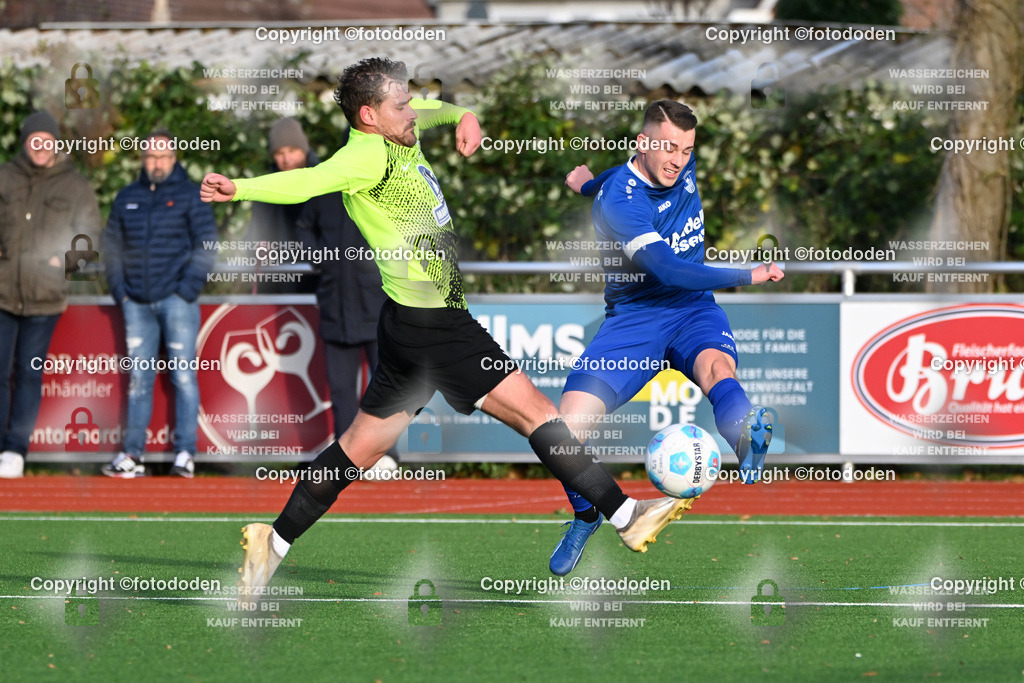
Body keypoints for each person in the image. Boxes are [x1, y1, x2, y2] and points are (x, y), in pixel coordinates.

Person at [201, 57, 691, 606]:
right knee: (537, 414)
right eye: (400, 105)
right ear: (369, 116)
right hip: (435, 325)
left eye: (409, 101)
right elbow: (309, 182)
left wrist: (463, 114)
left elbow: (432, 111)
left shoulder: (400, 127)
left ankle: (274, 541)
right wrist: (239, 188)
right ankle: (626, 516)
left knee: (357, 449)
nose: (412, 111)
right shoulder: (363, 156)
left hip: (406, 323)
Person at [546, 99, 785, 575]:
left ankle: (745, 442)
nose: (679, 160)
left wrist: (584, 183)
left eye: (687, 149)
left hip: (692, 310)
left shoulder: (667, 163)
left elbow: (620, 171)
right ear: (644, 143)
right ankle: (587, 512)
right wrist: (747, 275)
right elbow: (670, 269)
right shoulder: (621, 203)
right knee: (563, 431)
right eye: (670, 149)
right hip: (635, 320)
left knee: (718, 368)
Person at [101, 129, 218, 478]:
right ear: (142, 160)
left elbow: (206, 244)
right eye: (151, 157)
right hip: (135, 302)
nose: (157, 163)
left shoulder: (191, 195)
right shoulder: (127, 197)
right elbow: (111, 248)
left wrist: (187, 289)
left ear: (174, 158)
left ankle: (185, 453)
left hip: (177, 301)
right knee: (139, 379)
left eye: (163, 157)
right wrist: (119, 291)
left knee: (183, 377)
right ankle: (132, 455)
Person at [0, 111, 101, 478]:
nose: (40, 147)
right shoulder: (5, 177)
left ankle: (14, 450)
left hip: (45, 296)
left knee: (28, 374)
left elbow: (90, 234)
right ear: (25, 142)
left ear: (55, 143)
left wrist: (67, 259)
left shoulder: (75, 185)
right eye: (33, 140)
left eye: (46, 140)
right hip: (3, 292)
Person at [293, 129, 395, 466]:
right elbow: (304, 228)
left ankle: (385, 456)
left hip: (380, 304)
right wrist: (319, 257)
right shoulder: (325, 182)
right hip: (335, 304)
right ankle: (345, 460)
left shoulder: (387, 181)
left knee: (384, 387)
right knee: (340, 391)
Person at [244, 117, 319, 294]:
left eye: (292, 150)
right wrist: (257, 248)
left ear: (304, 149)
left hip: (319, 287)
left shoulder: (326, 182)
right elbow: (251, 238)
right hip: (276, 290)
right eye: (279, 153)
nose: (286, 159)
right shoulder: (264, 190)